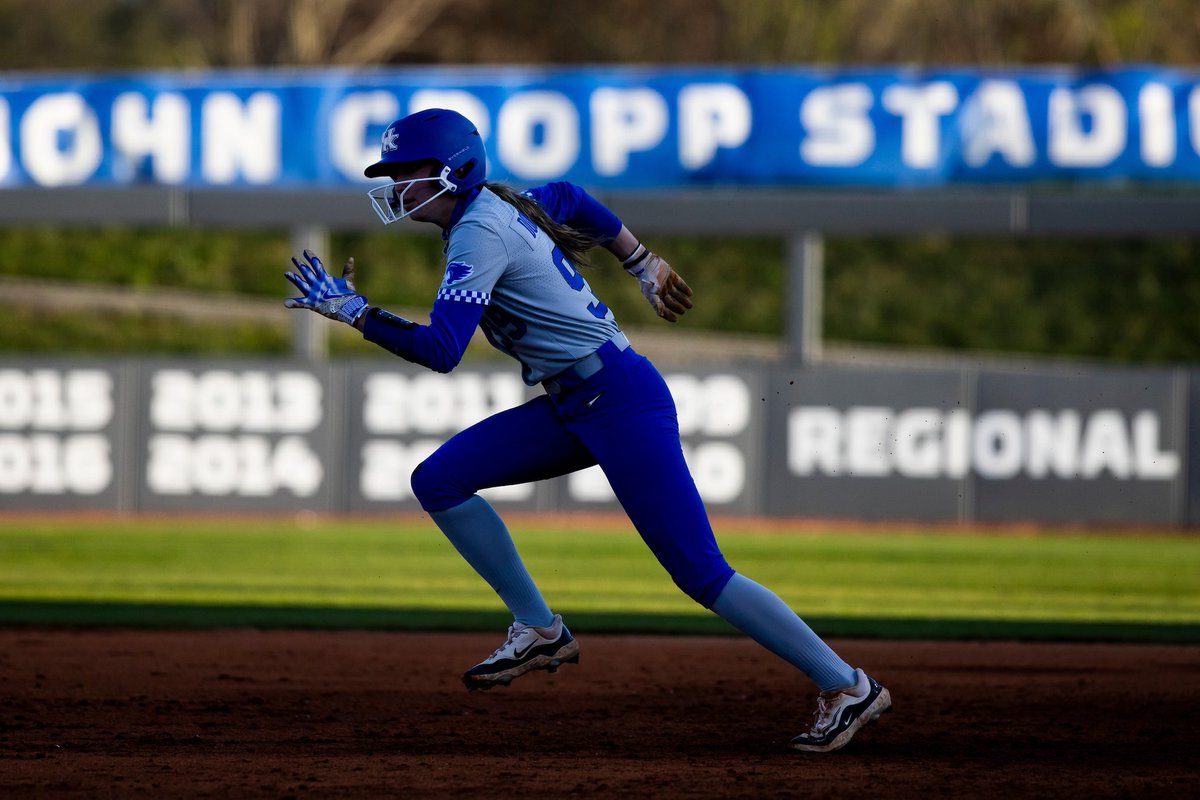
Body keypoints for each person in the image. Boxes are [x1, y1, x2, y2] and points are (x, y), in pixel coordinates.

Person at [283, 108, 890, 752]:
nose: (396, 184)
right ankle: (540, 630)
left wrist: (356, 313)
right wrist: (640, 260)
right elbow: (570, 198)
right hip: (580, 400)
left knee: (702, 573)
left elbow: (441, 350)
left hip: (619, 401)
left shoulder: (478, 231)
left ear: (453, 170)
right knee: (439, 480)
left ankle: (847, 684)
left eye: (408, 170)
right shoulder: (494, 206)